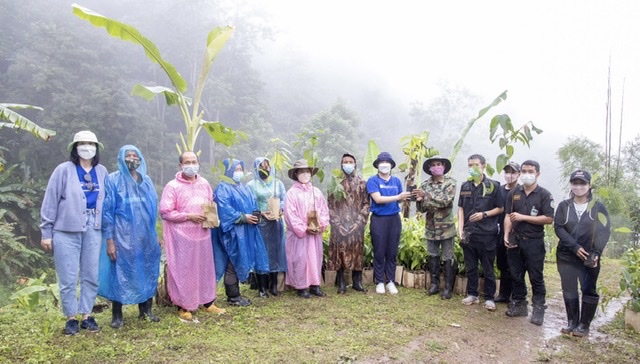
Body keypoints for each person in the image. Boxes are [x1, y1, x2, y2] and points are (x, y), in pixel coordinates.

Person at [40, 130, 108, 335]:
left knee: (91, 274)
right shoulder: (64, 170)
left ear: (96, 148)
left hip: (93, 227)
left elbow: (106, 200)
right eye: (83, 143)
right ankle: (71, 317)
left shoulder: (102, 171)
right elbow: (50, 201)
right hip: (66, 229)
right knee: (68, 276)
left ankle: (86, 314)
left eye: (91, 144)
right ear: (75, 147)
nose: (87, 147)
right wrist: (46, 232)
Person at [98, 145, 161, 329]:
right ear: (121, 158)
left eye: (135, 155)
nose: (132, 159)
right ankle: (117, 315)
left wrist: (155, 233)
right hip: (122, 234)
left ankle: (146, 310)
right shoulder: (112, 180)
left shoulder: (146, 181)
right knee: (119, 271)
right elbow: (107, 212)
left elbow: (152, 210)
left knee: (147, 268)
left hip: (145, 235)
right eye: (128, 155)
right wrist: (110, 240)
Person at [160, 151, 225, 322]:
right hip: (182, 238)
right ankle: (184, 306)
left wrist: (211, 219)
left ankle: (208, 302)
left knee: (205, 270)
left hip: (202, 236)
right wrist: (189, 216)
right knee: (184, 272)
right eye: (187, 162)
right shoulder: (172, 186)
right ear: (180, 165)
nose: (191, 165)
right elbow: (166, 212)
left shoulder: (204, 183)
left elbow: (210, 204)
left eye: (193, 161)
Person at [554, 170, 610, 337]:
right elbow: (558, 228)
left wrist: (596, 252)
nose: (578, 187)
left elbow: (604, 231)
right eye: (575, 183)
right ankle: (572, 321)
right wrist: (574, 247)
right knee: (568, 288)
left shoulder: (598, 207)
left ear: (589, 186)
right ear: (571, 185)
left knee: (588, 288)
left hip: (589, 256)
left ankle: (584, 324)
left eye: (582, 183)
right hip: (566, 255)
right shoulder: (564, 206)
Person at [503, 160, 555, 325]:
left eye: (530, 171)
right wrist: (506, 233)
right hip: (515, 239)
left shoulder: (545, 195)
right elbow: (508, 215)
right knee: (516, 274)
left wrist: (524, 217)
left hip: (534, 242)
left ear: (537, 174)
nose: (526, 174)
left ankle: (538, 309)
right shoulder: (514, 193)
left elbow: (548, 219)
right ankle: (520, 305)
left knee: (536, 276)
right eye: (523, 171)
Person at [213, 158, 270, 305]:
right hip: (232, 233)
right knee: (232, 262)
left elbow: (253, 204)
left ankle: (236, 294)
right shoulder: (223, 188)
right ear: (228, 170)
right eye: (235, 169)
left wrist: (256, 215)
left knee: (240, 261)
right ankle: (233, 296)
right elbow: (224, 210)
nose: (238, 172)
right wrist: (243, 217)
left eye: (240, 169)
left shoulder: (244, 188)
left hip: (246, 232)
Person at [457, 154, 504, 311]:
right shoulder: (465, 186)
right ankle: (472, 294)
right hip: (469, 233)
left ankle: (490, 297)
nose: (473, 168)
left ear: (484, 166)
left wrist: (484, 214)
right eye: (470, 165)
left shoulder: (494, 186)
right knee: (471, 266)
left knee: (488, 266)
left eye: (476, 165)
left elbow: (500, 208)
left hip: (487, 233)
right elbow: (461, 209)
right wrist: (460, 230)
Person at [366, 152, 411, 295]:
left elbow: (399, 200)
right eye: (381, 162)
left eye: (387, 162)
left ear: (391, 165)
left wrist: (407, 197)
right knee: (379, 251)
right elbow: (378, 199)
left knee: (392, 251)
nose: (384, 164)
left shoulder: (396, 181)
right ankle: (379, 281)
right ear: (377, 165)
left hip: (394, 219)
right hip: (379, 219)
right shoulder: (373, 181)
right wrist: (398, 196)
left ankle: (390, 281)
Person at [284, 159, 330, 298]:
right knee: (300, 259)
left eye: (307, 171)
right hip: (300, 236)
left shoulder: (316, 192)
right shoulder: (291, 194)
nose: (305, 174)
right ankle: (301, 286)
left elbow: (323, 210)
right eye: (302, 171)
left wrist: (320, 225)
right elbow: (290, 215)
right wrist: (304, 228)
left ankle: (315, 285)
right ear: (296, 173)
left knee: (315, 257)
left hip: (315, 234)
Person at [413, 155, 457, 299]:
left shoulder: (451, 183)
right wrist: (419, 200)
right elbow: (422, 209)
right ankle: (434, 284)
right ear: (430, 169)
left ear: (443, 166)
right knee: (433, 255)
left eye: (439, 164)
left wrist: (426, 196)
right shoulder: (425, 185)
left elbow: (446, 201)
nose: (436, 167)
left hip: (446, 227)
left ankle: (448, 288)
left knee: (448, 256)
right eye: (434, 165)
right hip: (431, 226)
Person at [327, 153, 370, 294]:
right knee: (340, 252)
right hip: (340, 224)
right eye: (345, 162)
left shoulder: (362, 183)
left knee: (356, 252)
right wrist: (337, 224)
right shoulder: (335, 183)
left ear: (355, 164)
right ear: (341, 164)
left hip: (356, 225)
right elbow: (330, 205)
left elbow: (366, 204)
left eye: (351, 162)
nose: (348, 164)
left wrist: (358, 223)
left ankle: (357, 282)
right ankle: (341, 283)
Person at [246, 157, 287, 296]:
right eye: (261, 166)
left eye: (267, 166)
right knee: (261, 253)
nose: (265, 169)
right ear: (256, 168)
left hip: (275, 223)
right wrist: (261, 213)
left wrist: (280, 210)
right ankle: (262, 288)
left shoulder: (277, 183)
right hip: (260, 224)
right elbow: (249, 204)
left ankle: (274, 286)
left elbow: (283, 199)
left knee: (275, 252)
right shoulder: (251, 185)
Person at [495, 161, 521, 303]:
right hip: (499, 231)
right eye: (507, 172)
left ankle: (515, 295)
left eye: (513, 172)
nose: (509, 175)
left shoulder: (521, 191)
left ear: (518, 174)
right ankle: (503, 294)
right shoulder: (499, 189)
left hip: (515, 232)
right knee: (502, 263)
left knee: (514, 265)